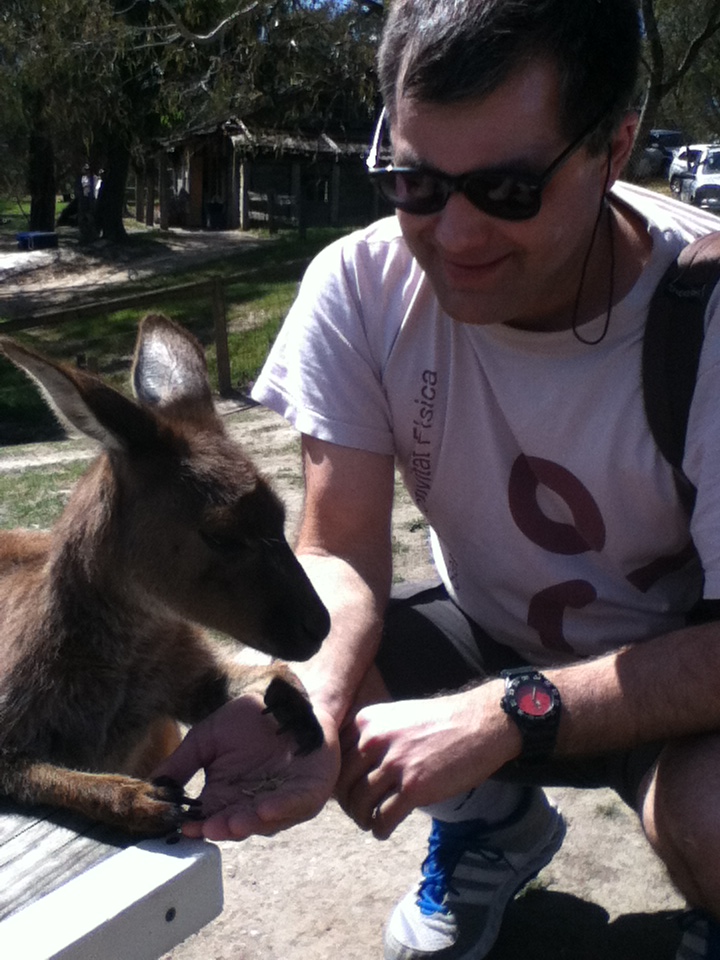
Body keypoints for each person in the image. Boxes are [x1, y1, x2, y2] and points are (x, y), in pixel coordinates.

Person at [155, 2, 720, 958]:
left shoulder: (706, 310)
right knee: (321, 676)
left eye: (507, 189)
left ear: (613, 149)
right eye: (415, 182)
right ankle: (492, 828)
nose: (454, 235)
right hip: (489, 634)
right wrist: (312, 706)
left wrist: (508, 712)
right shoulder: (360, 285)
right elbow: (339, 552)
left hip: (678, 676)